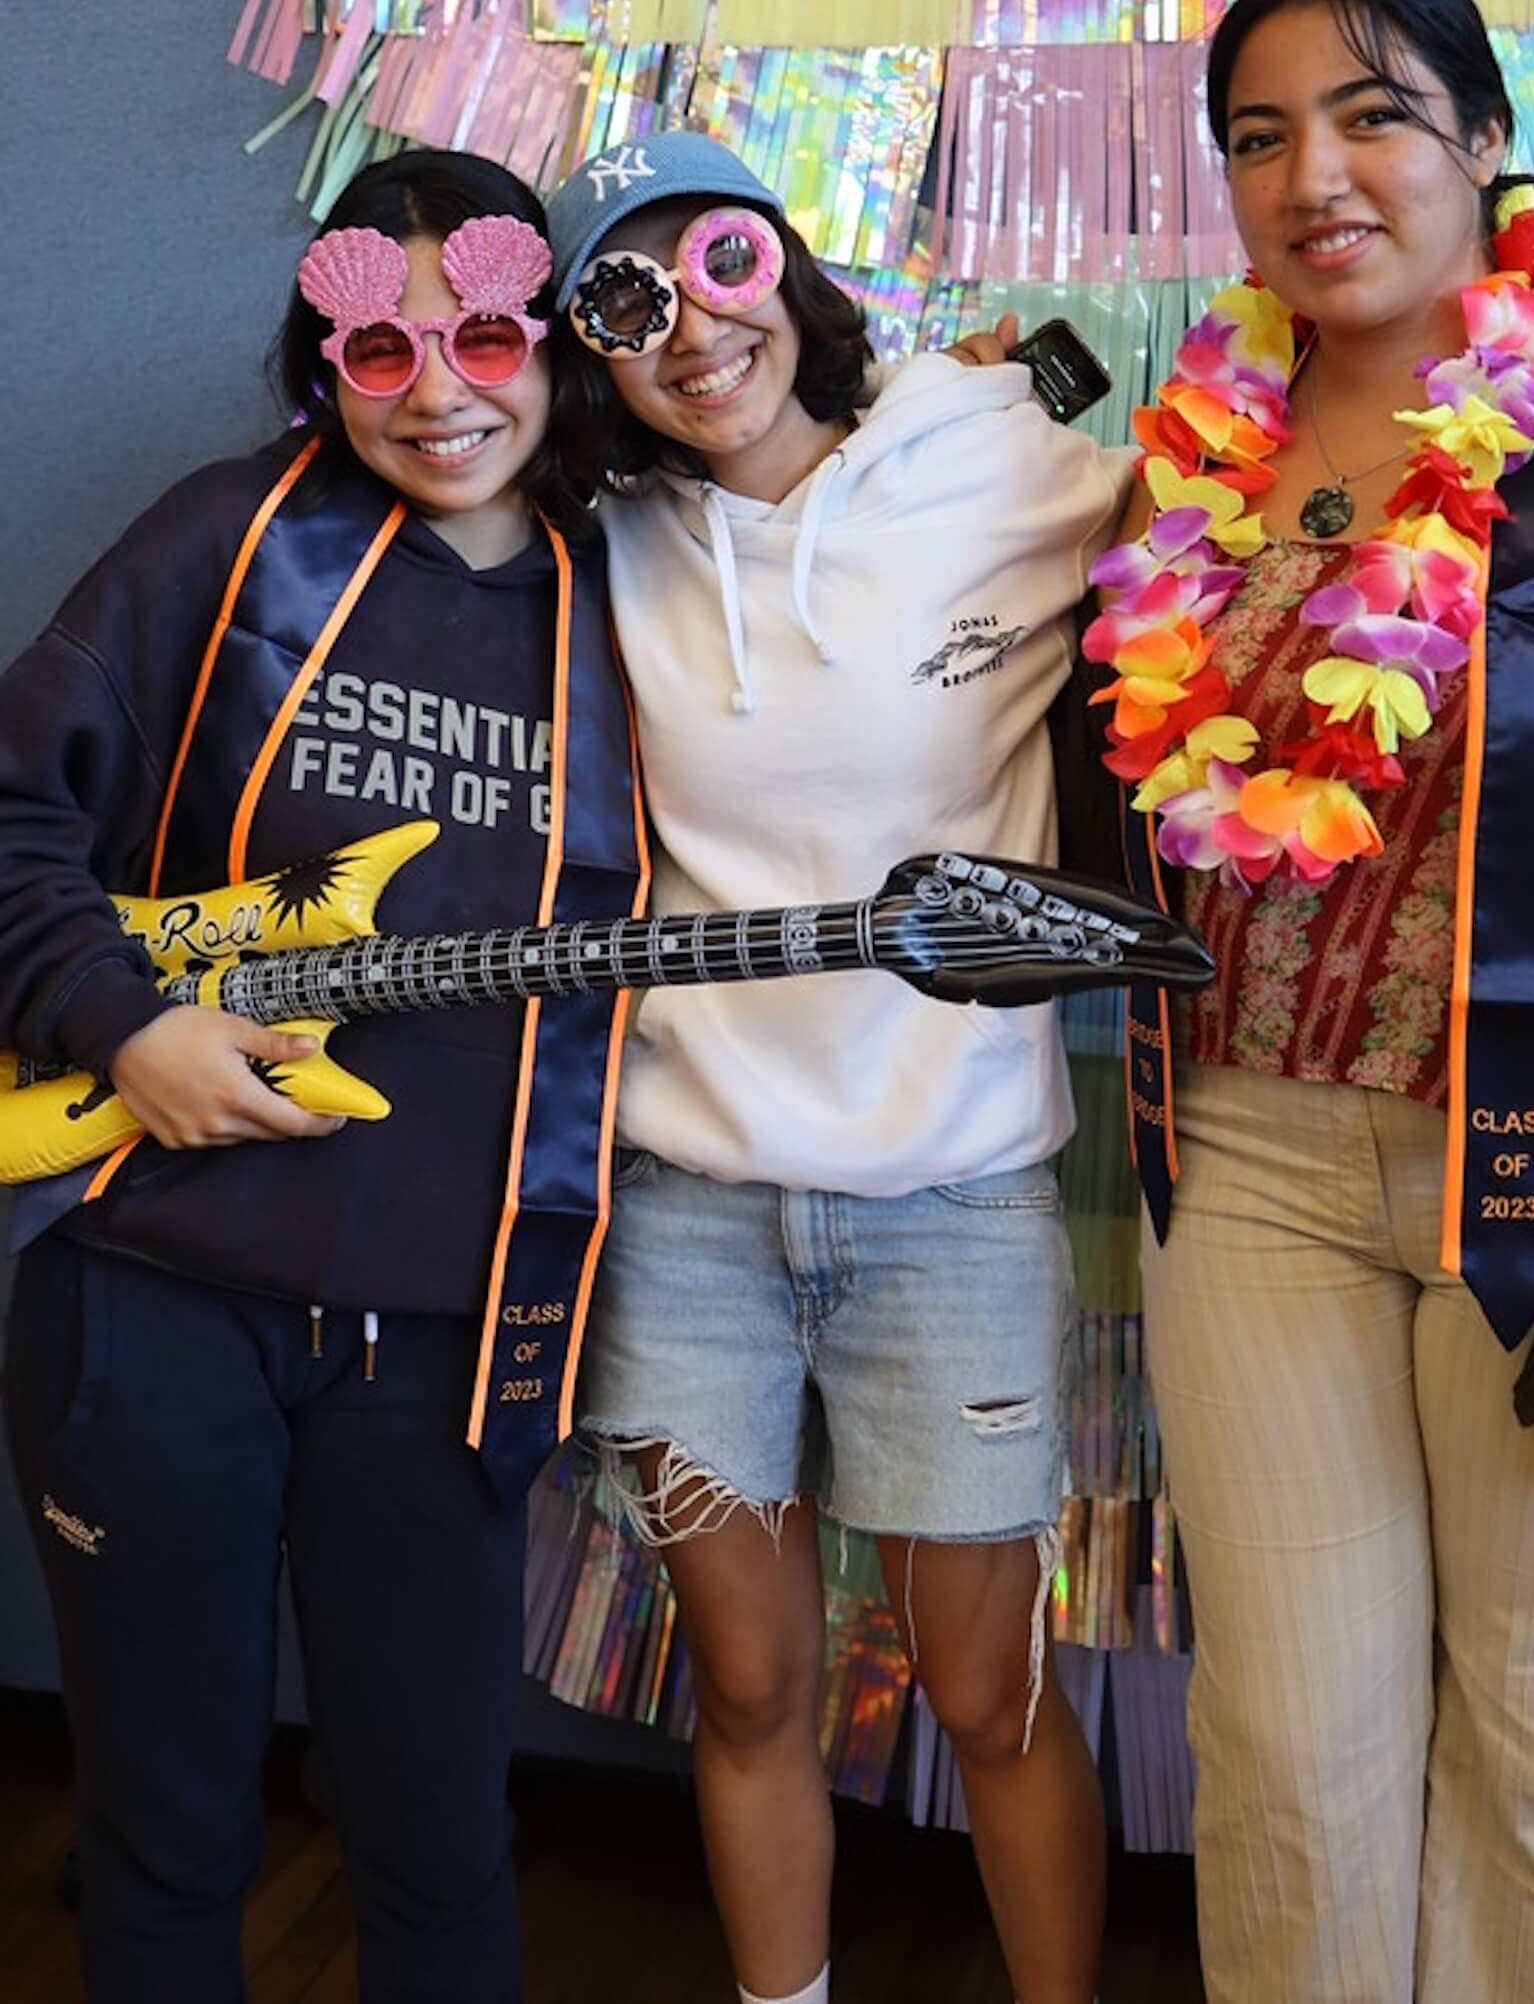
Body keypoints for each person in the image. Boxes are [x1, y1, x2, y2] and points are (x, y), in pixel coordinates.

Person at [1093, 0, 1534, 2003]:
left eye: (1376, 112)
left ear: (1485, 138)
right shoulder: (1193, 458)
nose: (1317, 172)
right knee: (1290, 1764)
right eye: (1260, 134)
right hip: (1250, 1176)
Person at [0, 151, 646, 2004]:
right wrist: (122, 1024)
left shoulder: (650, 598)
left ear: (563, 342)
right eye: (381, 346)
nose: (440, 389)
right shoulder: (227, 536)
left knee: (442, 1846)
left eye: (490, 334)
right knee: (165, 1830)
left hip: (450, 1325)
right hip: (149, 1291)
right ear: (324, 358)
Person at [542, 129, 1124, 2004]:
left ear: (784, 267)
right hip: (691, 1211)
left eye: (721, 265)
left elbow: (1251, 521)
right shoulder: (595, 551)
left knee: (989, 1692)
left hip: (952, 1200)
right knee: (751, 1681)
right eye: (626, 305)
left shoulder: (992, 456)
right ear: (589, 356)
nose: (694, 331)